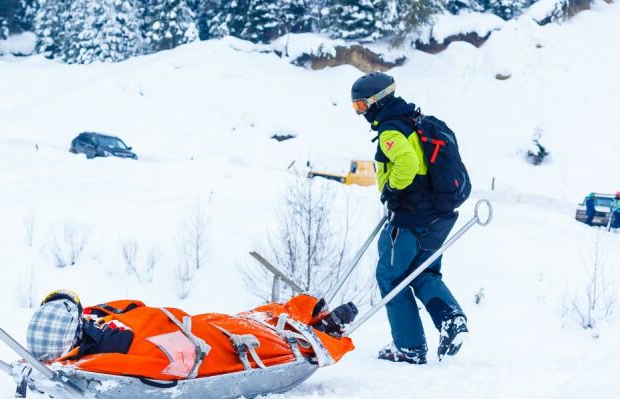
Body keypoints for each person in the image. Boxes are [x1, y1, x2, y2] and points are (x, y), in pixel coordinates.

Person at [351, 72, 467, 365]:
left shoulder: (391, 130)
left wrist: (391, 188)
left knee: (391, 276)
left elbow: (407, 162)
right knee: (424, 272)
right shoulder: (414, 121)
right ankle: (451, 319)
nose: (360, 113)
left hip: (410, 219)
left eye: (361, 107)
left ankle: (409, 347)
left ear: (377, 101)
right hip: (439, 215)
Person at [26, 289, 359, 363]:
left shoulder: (98, 324)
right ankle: (319, 329)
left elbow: (132, 306)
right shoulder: (105, 355)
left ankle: (304, 313)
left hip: (188, 324)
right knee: (262, 334)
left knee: (253, 318)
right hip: (200, 339)